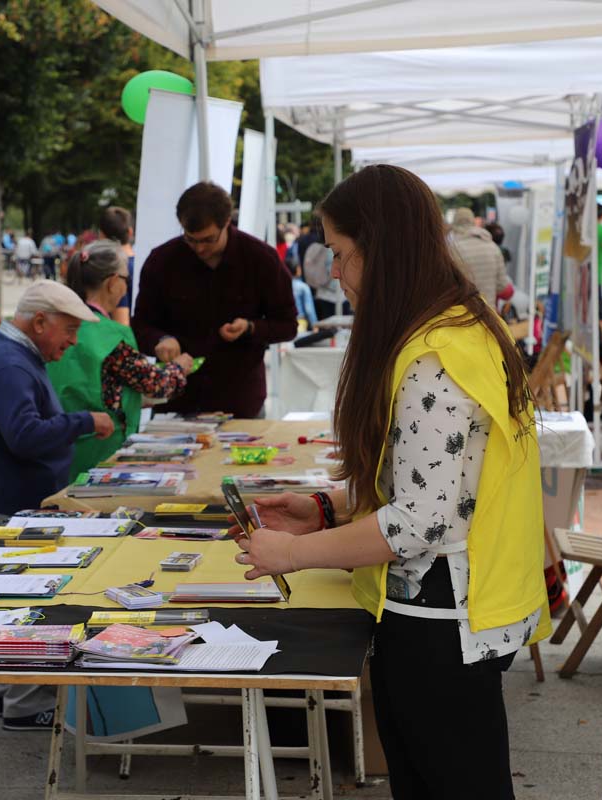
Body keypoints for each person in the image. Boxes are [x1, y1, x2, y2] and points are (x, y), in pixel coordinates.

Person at [233, 165, 550, 800]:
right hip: (453, 611)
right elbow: (437, 485)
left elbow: (423, 520)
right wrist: (326, 510)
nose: (338, 274)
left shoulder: (435, 353)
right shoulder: (455, 326)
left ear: (379, 246)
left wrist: (293, 553)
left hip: (442, 618)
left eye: (341, 254)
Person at [0, 279, 114, 729]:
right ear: (40, 321)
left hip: (16, 498)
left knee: (15, 599)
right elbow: (24, 435)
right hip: (19, 503)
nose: (71, 342)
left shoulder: (11, 355)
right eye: (68, 331)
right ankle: (26, 703)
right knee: (29, 603)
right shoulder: (10, 363)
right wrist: (83, 421)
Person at [132, 182, 297, 417]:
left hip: (240, 402)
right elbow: (140, 325)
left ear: (227, 222)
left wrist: (250, 327)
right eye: (190, 239)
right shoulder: (162, 261)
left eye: (208, 239)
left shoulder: (261, 259)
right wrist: (161, 339)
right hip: (178, 403)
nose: (199, 248)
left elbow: (288, 325)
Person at [48, 241, 193, 479]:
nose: (127, 286)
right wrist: (179, 367)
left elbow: (96, 383)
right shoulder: (111, 335)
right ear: (113, 282)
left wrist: (133, 399)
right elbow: (155, 383)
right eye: (126, 278)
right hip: (101, 451)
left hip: (62, 447)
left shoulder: (61, 325)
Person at [449, 207, 513, 310]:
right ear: (472, 221)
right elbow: (502, 287)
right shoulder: (492, 247)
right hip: (488, 314)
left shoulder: (451, 250)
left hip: (461, 316)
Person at [99, 206, 135, 326]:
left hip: (126, 340)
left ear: (102, 235)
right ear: (130, 232)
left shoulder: (114, 270)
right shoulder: (146, 263)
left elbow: (121, 323)